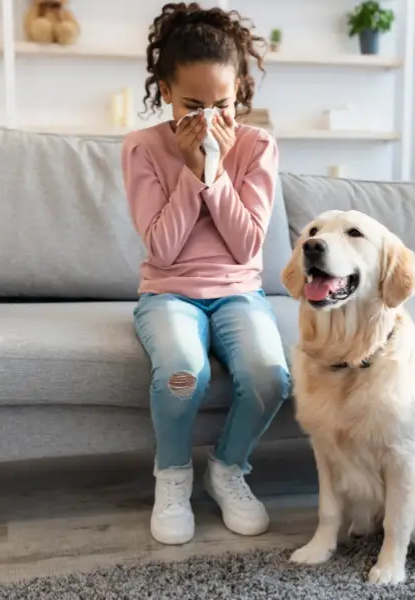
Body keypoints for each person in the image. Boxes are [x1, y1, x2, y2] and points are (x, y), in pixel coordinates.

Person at [122, 2, 290, 546]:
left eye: (223, 105)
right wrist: (191, 175)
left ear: (240, 89)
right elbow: (164, 251)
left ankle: (227, 469)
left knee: (270, 376)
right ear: (164, 90)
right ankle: (171, 478)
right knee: (181, 373)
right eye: (192, 106)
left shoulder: (256, 146)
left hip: (238, 292)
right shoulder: (143, 148)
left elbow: (246, 247)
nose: (210, 121)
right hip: (169, 292)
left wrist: (213, 172)